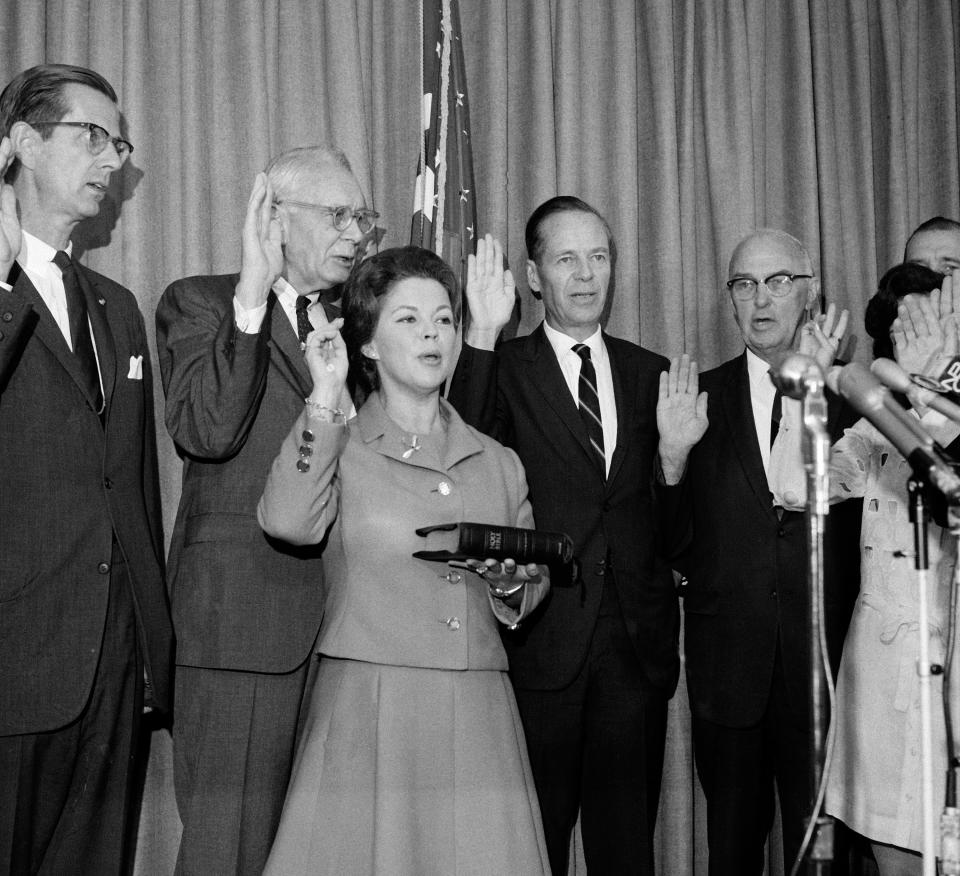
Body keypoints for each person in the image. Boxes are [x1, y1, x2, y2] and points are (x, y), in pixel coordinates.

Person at [257, 245, 551, 875]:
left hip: (479, 714)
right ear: (366, 343)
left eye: (444, 319)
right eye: (408, 319)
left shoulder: (498, 460)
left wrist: (511, 586)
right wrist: (325, 396)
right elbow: (287, 522)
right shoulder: (339, 439)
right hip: (369, 711)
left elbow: (527, 589)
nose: (431, 334)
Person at [448, 198, 682, 874]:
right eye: (567, 259)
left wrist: (674, 462)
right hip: (539, 647)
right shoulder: (502, 366)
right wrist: (482, 340)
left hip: (634, 655)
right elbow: (461, 462)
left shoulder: (653, 373)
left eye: (600, 257)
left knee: (626, 852)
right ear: (532, 274)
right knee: (531, 849)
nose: (586, 275)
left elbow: (674, 527)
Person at [155, 145, 372, 874]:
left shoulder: (363, 331)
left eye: (361, 218)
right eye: (338, 214)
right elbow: (206, 430)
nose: (355, 234)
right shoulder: (202, 304)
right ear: (273, 218)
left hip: (348, 636)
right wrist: (252, 296)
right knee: (228, 855)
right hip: (241, 635)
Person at [0, 64, 173, 873]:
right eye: (92, 136)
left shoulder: (118, 308)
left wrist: (150, 645)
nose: (113, 159)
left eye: (119, 142)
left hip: (113, 663)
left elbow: (131, 487)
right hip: (16, 654)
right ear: (25, 144)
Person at [657, 229, 861, 874]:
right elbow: (670, 545)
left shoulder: (855, 403)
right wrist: (671, 459)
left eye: (778, 282)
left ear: (810, 294)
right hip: (730, 678)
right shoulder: (692, 400)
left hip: (824, 676)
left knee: (823, 857)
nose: (761, 299)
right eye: (744, 284)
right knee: (732, 854)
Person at [771, 263, 959, 876]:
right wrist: (809, 391)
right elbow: (793, 485)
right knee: (892, 857)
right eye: (906, 324)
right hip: (882, 689)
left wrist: (930, 387)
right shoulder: (873, 429)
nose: (918, 334)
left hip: (950, 691)